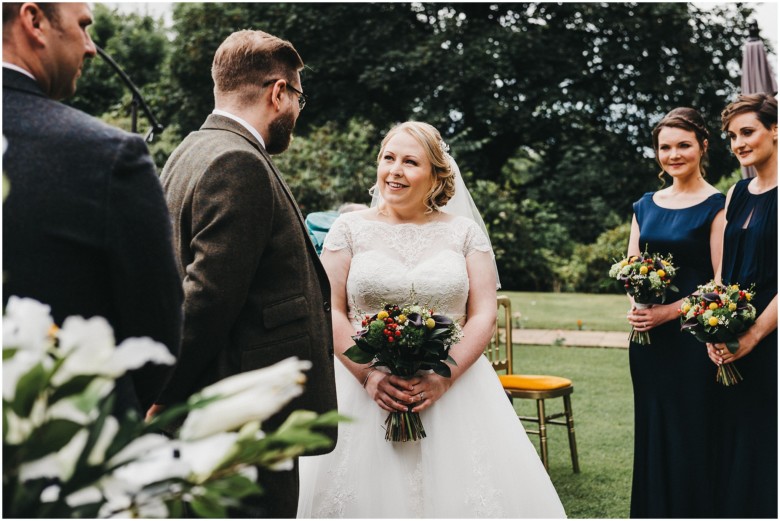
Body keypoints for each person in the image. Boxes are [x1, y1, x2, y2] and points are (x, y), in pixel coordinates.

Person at [297, 121, 565, 518]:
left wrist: (444, 376)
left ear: (437, 175)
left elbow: (483, 313)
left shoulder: (464, 232)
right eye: (388, 158)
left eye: (410, 162)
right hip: (362, 387)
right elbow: (329, 308)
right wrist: (369, 376)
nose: (395, 170)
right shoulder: (348, 229)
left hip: (454, 389)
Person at [150, 30, 337, 518]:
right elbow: (207, 298)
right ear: (279, 93)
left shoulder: (189, 150)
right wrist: (161, 393)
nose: (297, 110)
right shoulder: (240, 162)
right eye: (298, 97)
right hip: (244, 411)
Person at [2, 2, 182, 415]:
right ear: (34, 21)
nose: (91, 48)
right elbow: (156, 336)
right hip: (66, 444)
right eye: (83, 27)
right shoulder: (109, 156)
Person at [624, 108, 725, 517]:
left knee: (692, 434)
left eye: (683, 145)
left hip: (692, 341)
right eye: (665, 147)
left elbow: (721, 281)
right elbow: (632, 267)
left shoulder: (718, 205)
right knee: (652, 429)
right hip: (647, 343)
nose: (673, 154)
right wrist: (638, 306)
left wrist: (668, 313)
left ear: (702, 146)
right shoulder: (645, 205)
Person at [706, 94, 777, 518]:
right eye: (732, 136)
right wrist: (711, 327)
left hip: (771, 341)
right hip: (731, 341)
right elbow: (723, 272)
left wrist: (752, 336)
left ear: (775, 130)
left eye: (747, 132)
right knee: (732, 443)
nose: (738, 143)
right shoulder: (736, 194)